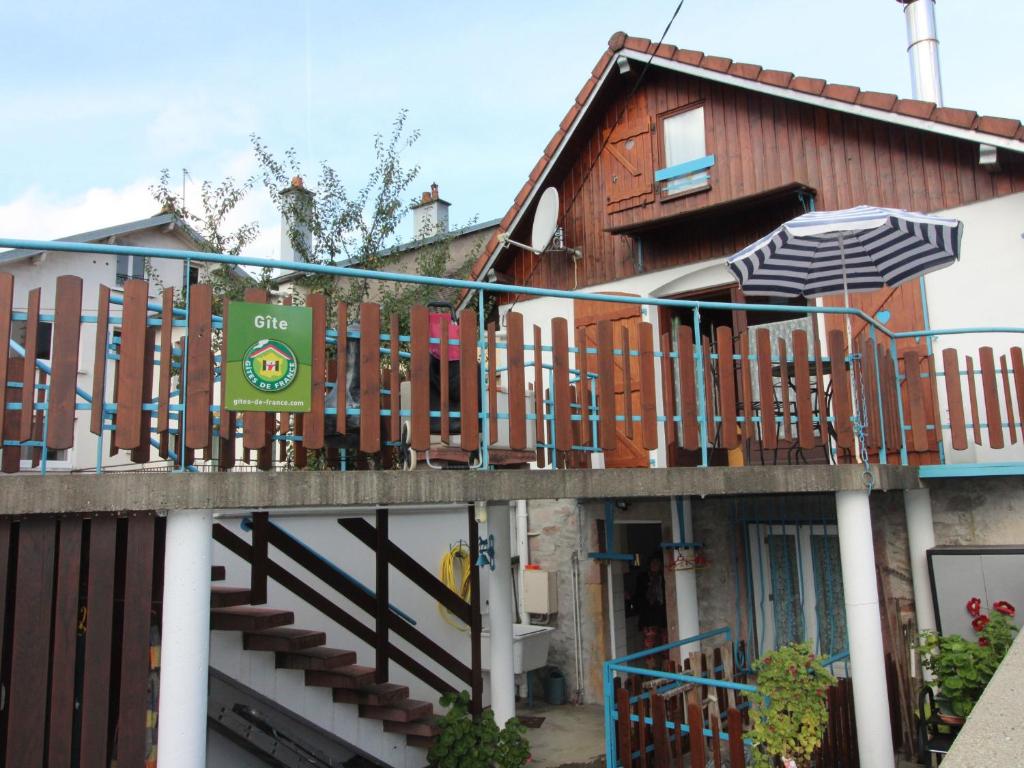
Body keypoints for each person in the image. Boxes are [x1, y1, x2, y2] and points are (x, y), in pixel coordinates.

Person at [633, 554, 668, 664]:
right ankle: (651, 669)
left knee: (665, 644)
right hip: (648, 618)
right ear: (649, 565)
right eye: (653, 563)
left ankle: (666, 668)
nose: (655, 565)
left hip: (663, 616)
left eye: (657, 563)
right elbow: (638, 596)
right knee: (649, 646)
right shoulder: (643, 578)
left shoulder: (664, 577)